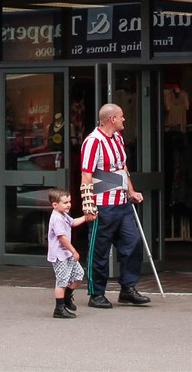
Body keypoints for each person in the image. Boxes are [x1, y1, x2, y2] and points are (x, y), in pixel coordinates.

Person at [80, 102, 150, 308]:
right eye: (121, 116)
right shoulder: (93, 142)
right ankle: (96, 293)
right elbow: (87, 174)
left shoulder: (118, 138)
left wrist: (131, 191)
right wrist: (89, 205)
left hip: (122, 202)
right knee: (99, 249)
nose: (124, 119)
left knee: (133, 242)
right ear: (112, 119)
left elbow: (122, 168)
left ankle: (128, 288)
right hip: (103, 204)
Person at [46, 187, 93, 318]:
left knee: (79, 274)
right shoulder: (57, 219)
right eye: (65, 203)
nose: (69, 205)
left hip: (66, 254)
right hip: (60, 255)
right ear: (55, 205)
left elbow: (73, 222)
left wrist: (86, 217)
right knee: (61, 281)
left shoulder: (63, 215)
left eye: (69, 202)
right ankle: (59, 308)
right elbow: (62, 238)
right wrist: (74, 251)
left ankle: (67, 296)